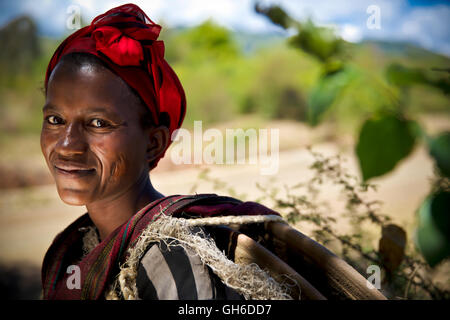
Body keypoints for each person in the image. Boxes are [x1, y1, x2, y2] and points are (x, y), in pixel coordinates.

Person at [40, 3, 290, 300]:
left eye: (98, 123)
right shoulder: (73, 249)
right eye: (55, 120)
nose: (67, 144)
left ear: (154, 142)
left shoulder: (170, 256)